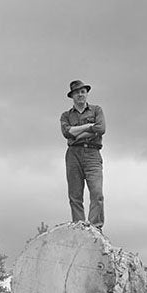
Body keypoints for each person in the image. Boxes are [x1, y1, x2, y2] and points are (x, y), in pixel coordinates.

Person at [60, 79, 105, 229]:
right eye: (77, 92)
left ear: (86, 93)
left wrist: (77, 133)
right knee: (75, 195)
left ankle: (95, 228)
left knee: (97, 193)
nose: (80, 94)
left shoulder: (96, 110)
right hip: (73, 155)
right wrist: (89, 127)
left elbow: (101, 128)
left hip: (93, 153)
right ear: (72, 96)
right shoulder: (66, 116)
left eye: (82, 91)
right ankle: (79, 228)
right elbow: (67, 133)